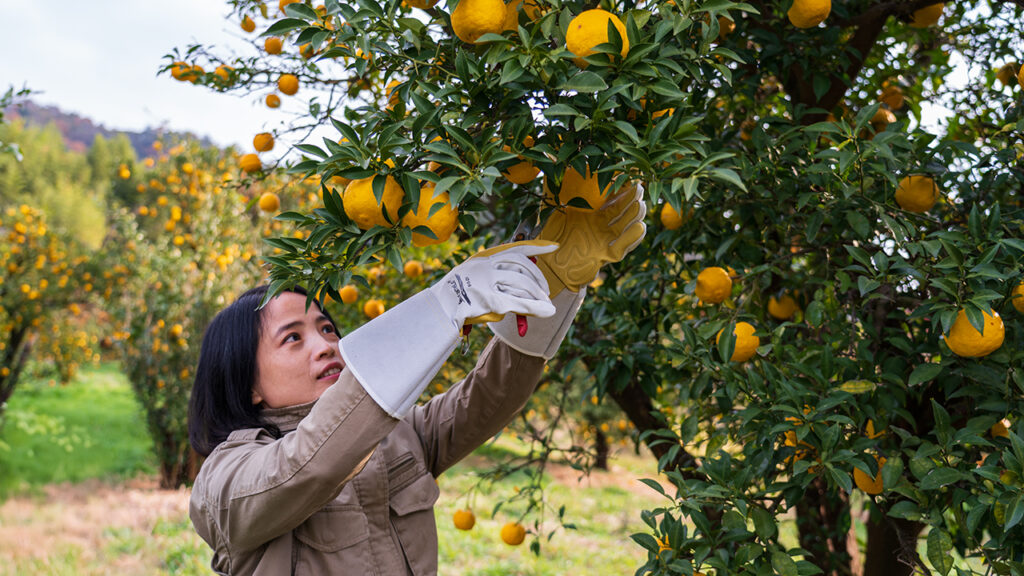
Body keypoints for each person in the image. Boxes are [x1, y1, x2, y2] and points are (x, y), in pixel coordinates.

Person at [187, 184, 647, 575]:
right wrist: (443, 306)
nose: (326, 345)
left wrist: (554, 284)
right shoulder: (223, 484)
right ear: (247, 382)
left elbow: (490, 396)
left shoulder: (398, 437)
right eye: (293, 338)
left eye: (327, 328)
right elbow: (307, 465)